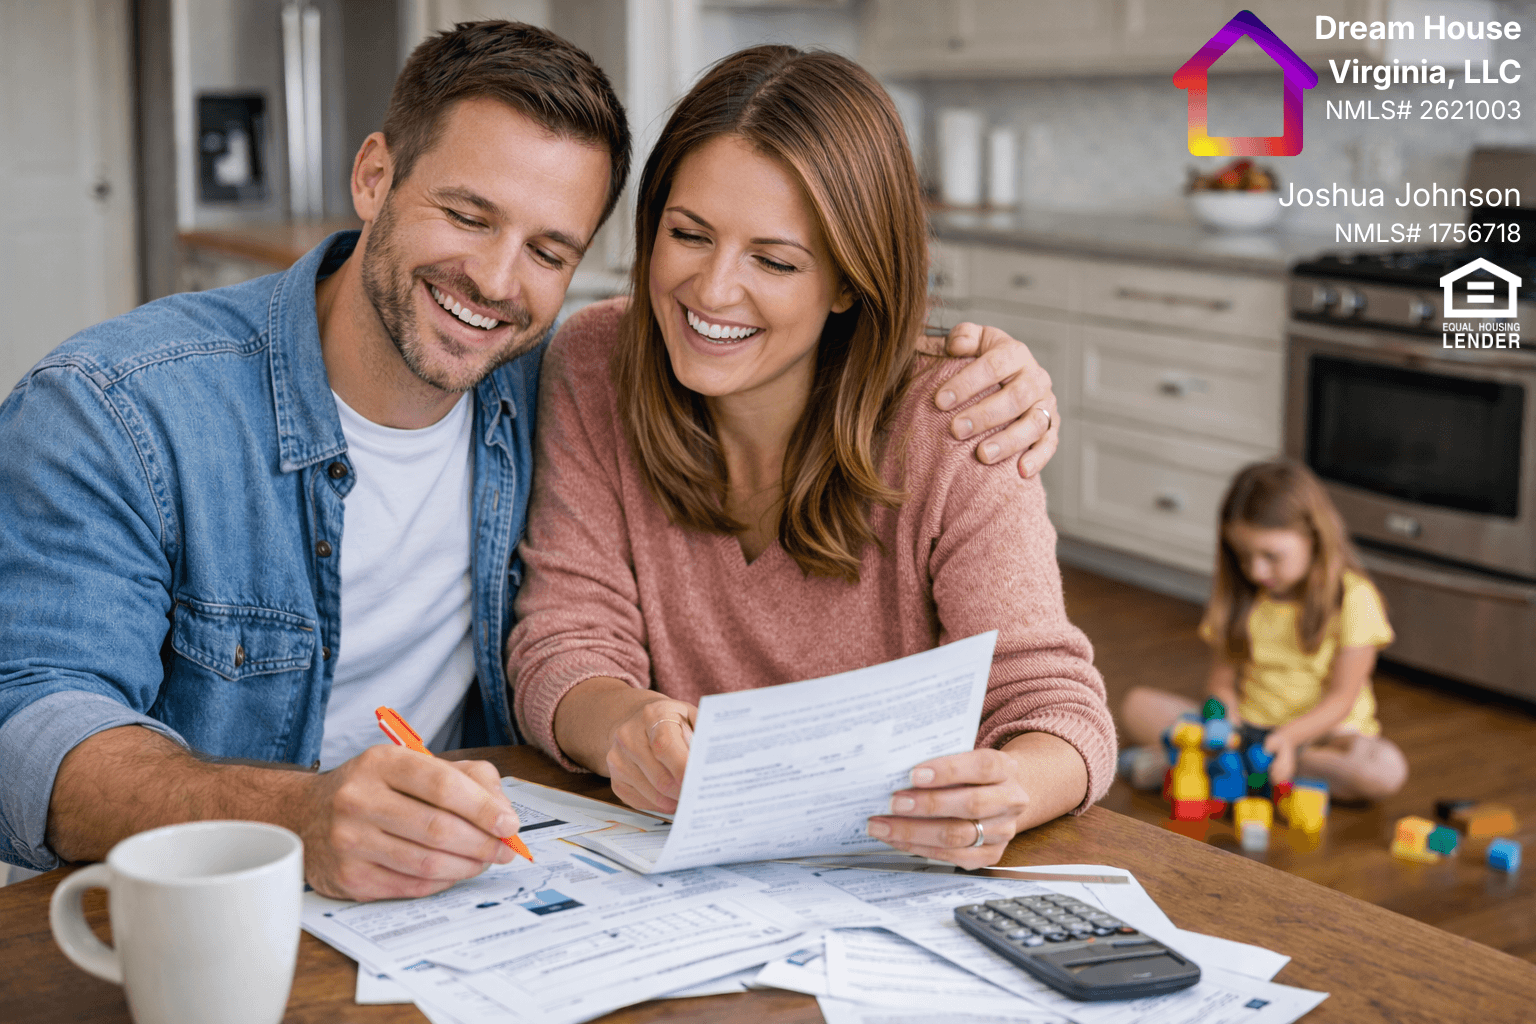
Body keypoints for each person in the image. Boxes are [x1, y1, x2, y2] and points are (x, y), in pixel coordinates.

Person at [0, 22, 1061, 897]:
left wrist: (991, 366)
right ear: (374, 176)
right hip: (199, 906)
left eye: (549, 250)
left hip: (470, 902)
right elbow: (28, 732)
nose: (496, 281)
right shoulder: (116, 409)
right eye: (466, 214)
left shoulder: (554, 371)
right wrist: (297, 815)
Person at [507, 45, 1116, 870]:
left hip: (891, 880)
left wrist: (1006, 790)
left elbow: (1054, 705)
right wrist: (623, 727)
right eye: (688, 235)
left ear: (846, 279)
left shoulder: (960, 417)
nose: (713, 290)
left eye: (774, 260)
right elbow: (565, 642)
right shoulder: (593, 362)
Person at [1118, 460, 1408, 802]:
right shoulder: (1240, 598)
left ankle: (1208, 767)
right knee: (1135, 706)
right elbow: (1221, 685)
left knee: (1384, 769)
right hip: (1246, 733)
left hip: (1321, 739)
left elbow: (1341, 699)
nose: (1256, 570)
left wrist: (1288, 739)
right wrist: (1225, 721)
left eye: (1271, 556)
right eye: (1243, 556)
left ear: (1313, 536)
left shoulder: (1355, 598)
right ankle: (1251, 771)